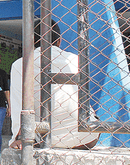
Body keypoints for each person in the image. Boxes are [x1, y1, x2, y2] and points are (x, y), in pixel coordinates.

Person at [9, 20, 99, 150]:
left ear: (32, 42)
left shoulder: (20, 65)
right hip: (86, 136)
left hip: (47, 137)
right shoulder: (75, 60)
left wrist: (17, 137)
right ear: (59, 41)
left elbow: (18, 104)